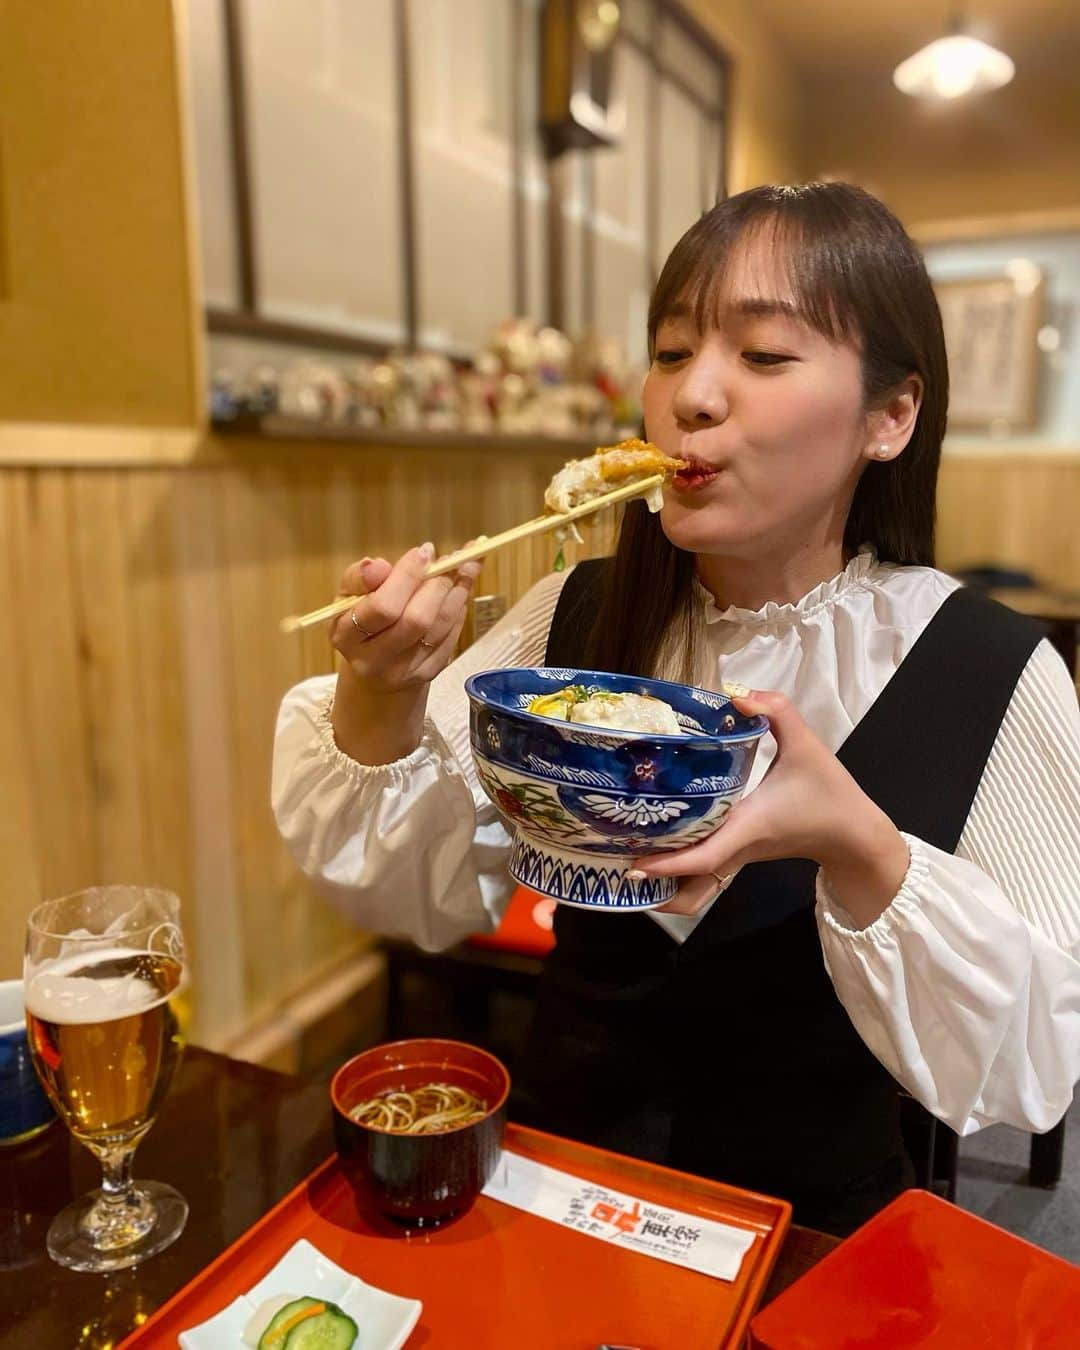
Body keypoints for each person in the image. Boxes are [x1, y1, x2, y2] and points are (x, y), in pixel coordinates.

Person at [272, 183, 1080, 1234]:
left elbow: (1035, 1063)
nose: (693, 396)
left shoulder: (990, 666)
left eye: (764, 356)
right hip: (558, 1185)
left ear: (891, 416)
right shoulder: (578, 607)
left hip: (810, 1233)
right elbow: (412, 888)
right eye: (670, 351)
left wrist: (863, 849)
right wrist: (381, 695)